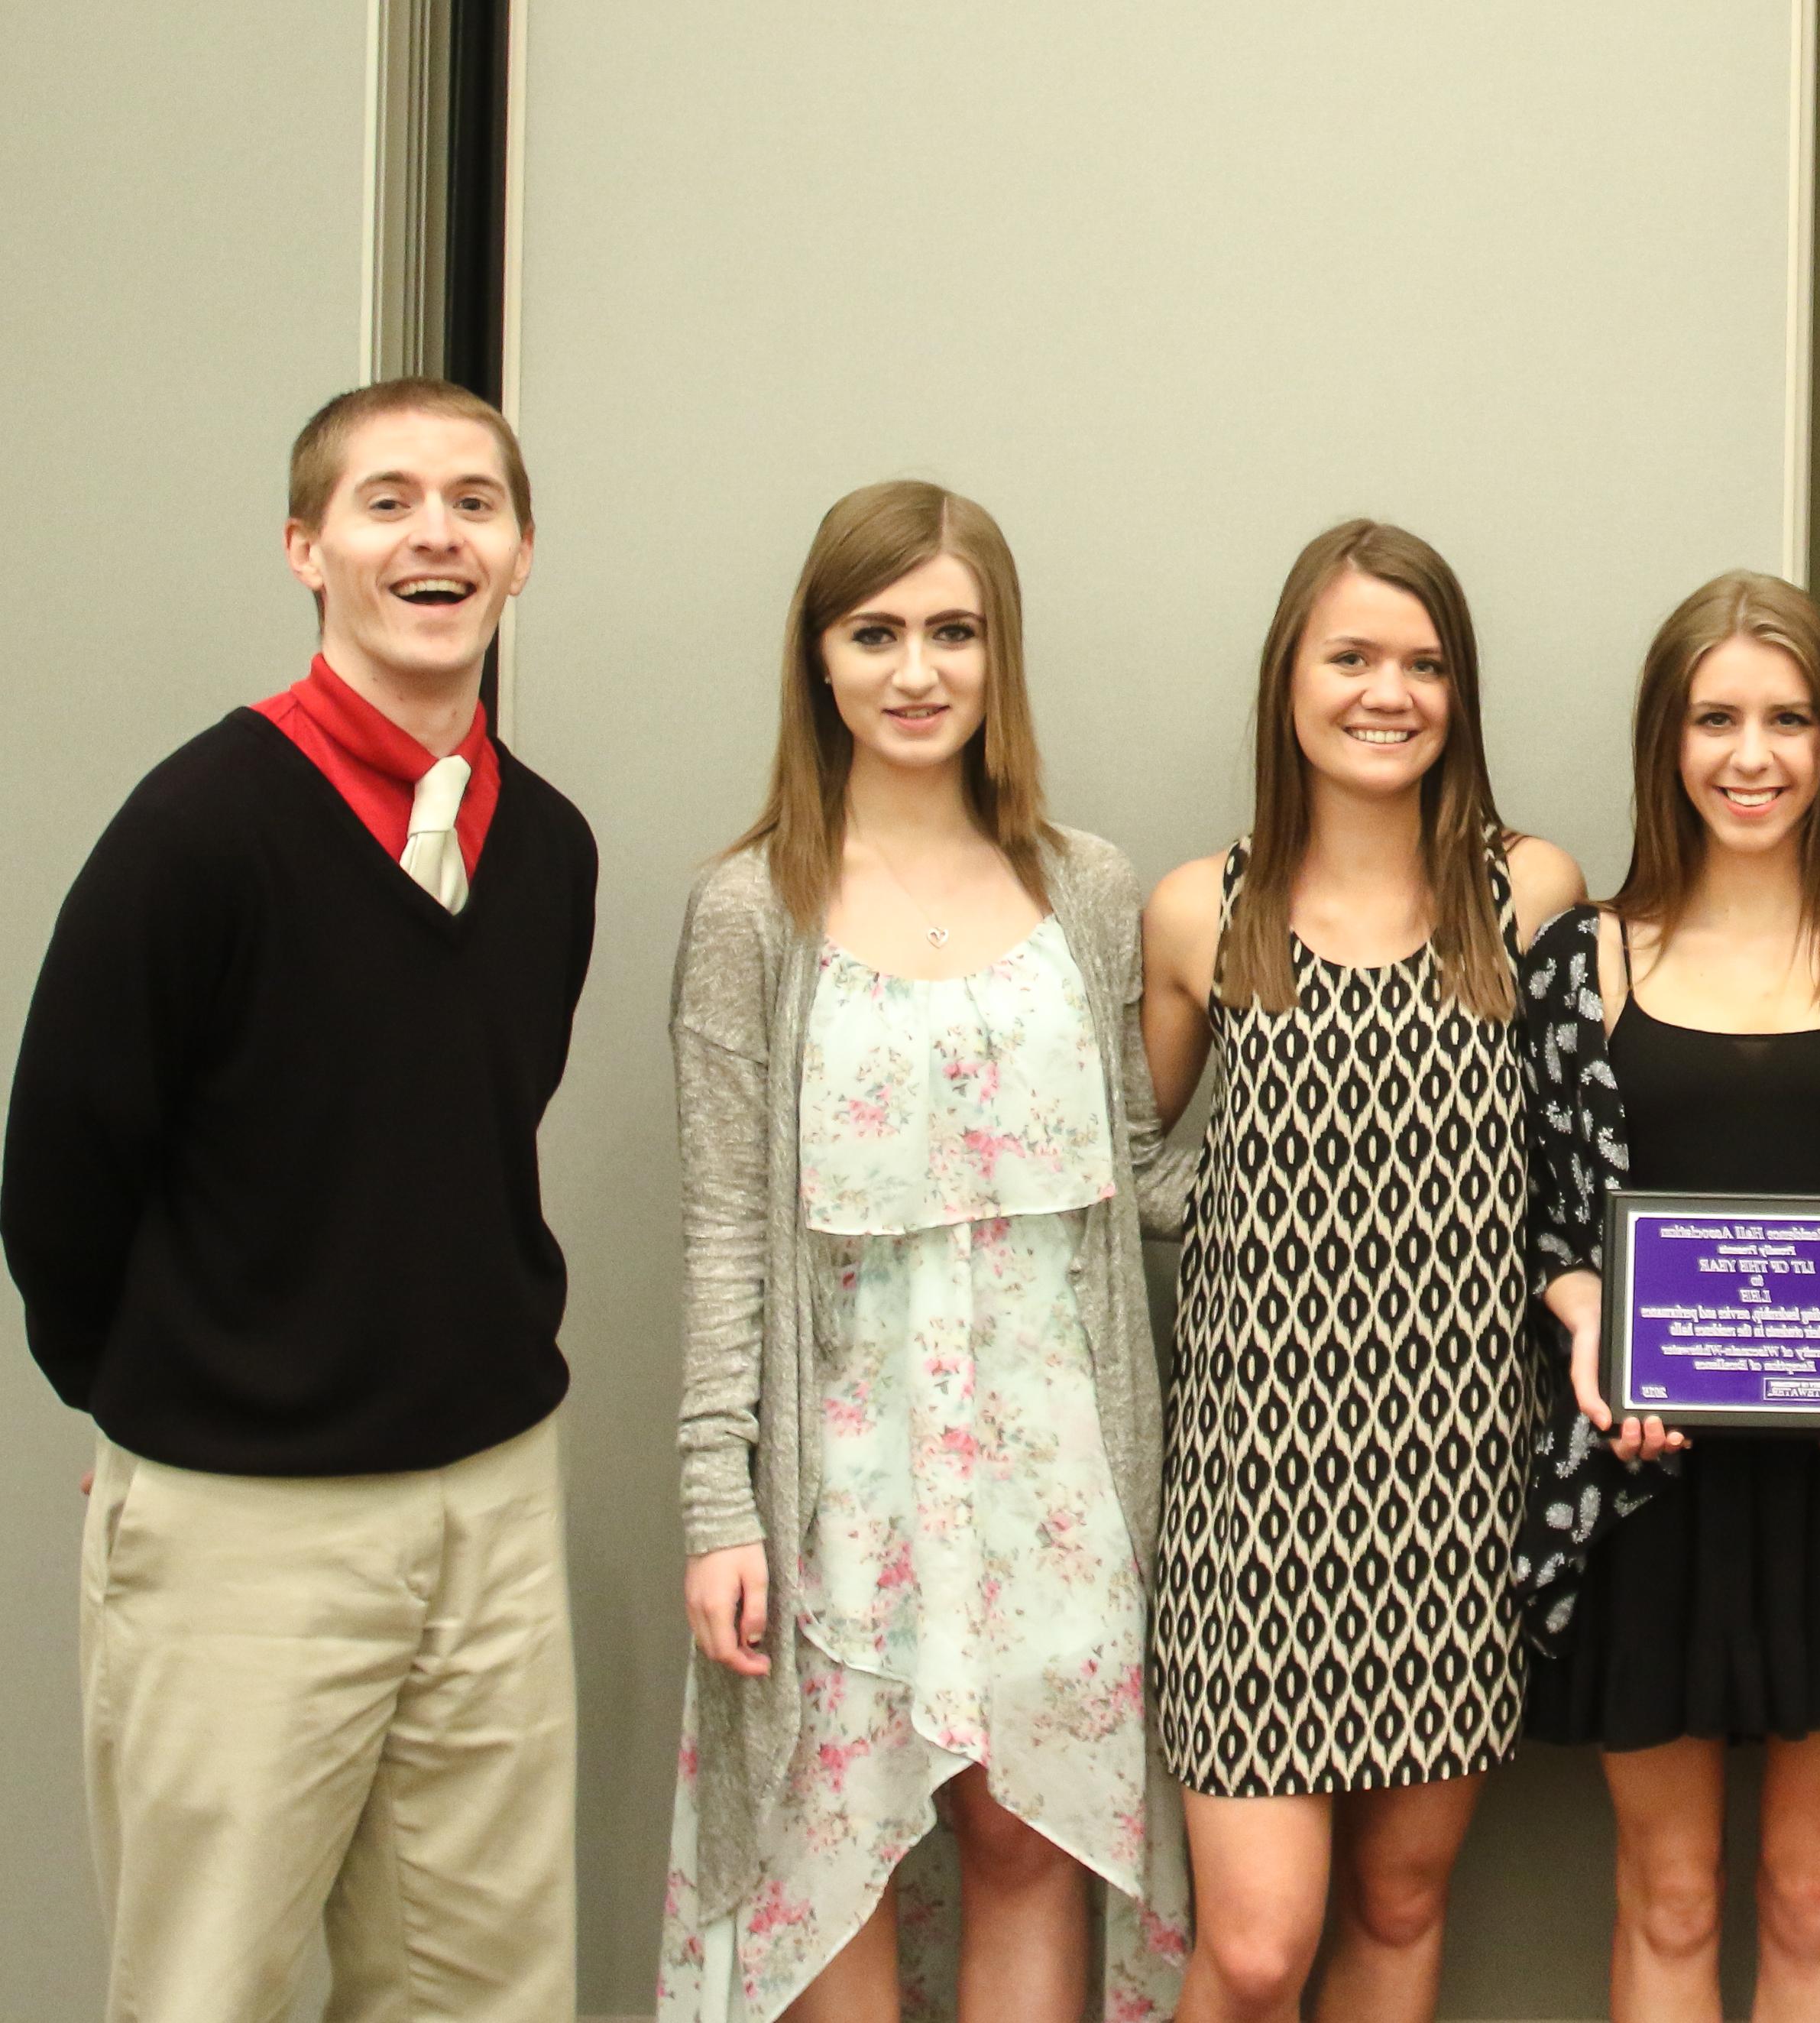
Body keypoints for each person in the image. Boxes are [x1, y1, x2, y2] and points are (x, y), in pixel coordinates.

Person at [3, 378, 593, 2019]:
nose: (434, 534)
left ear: (524, 554)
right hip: (247, 1522)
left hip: (488, 1503)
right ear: (304, 546)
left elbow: (469, 1137)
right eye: (386, 499)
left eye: (474, 502)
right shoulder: (196, 832)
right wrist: (163, 1409)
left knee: (487, 1983)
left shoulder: (544, 849)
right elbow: (58, 1178)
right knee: (213, 1984)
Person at [657, 480, 1189, 2019]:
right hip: (839, 1484)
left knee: (1028, 1846)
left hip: (1057, 1479)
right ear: (817, 659)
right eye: (874, 631)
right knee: (838, 1853)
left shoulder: (1084, 888)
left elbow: (1140, 1184)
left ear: (997, 656)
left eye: (952, 632)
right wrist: (717, 1500)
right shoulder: (750, 910)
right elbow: (720, 1231)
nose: (915, 670)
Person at [1511, 570, 1820, 2021]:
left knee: (1811, 1889)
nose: (1752, 755)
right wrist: (1590, 1320)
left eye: (1788, 718)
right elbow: (1546, 1214)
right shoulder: (1580, 961)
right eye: (1716, 718)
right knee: (1668, 1893)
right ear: (1668, 739)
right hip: (1646, 1492)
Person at [1141, 519, 1585, 2021]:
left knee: (1398, 1907)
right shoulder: (1202, 909)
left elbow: (1589, 1177)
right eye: (1352, 657)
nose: (1387, 690)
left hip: (1456, 1486)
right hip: (1252, 1499)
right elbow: (1106, 1165)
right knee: (1258, 1947)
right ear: (1289, 681)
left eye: (1424, 662)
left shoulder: (1527, 896)